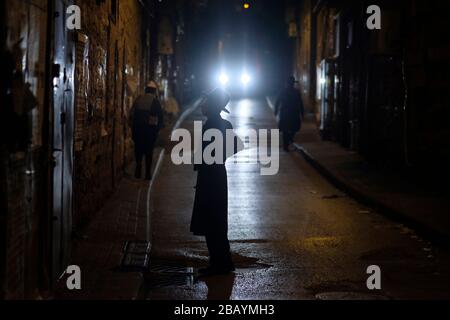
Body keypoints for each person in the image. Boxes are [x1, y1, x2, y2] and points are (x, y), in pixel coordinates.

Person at [190, 87, 239, 277]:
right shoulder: (223, 124)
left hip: (211, 176)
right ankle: (222, 261)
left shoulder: (212, 125)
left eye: (206, 102)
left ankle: (219, 264)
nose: (203, 105)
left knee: (212, 220)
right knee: (217, 220)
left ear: (212, 106)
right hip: (218, 173)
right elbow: (233, 147)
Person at [129, 81, 164, 180]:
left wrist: (132, 127)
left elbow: (131, 114)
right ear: (154, 91)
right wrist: (158, 129)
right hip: (149, 131)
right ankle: (148, 173)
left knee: (138, 149)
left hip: (138, 130)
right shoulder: (155, 101)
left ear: (146, 90)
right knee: (149, 151)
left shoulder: (138, 99)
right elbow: (160, 117)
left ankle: (138, 169)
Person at [274, 76, 304, 151]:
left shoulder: (295, 92)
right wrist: (276, 110)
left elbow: (300, 103)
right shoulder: (285, 92)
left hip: (291, 113)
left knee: (292, 128)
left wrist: (276, 110)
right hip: (287, 113)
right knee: (286, 129)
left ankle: (289, 140)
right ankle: (286, 145)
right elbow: (278, 101)